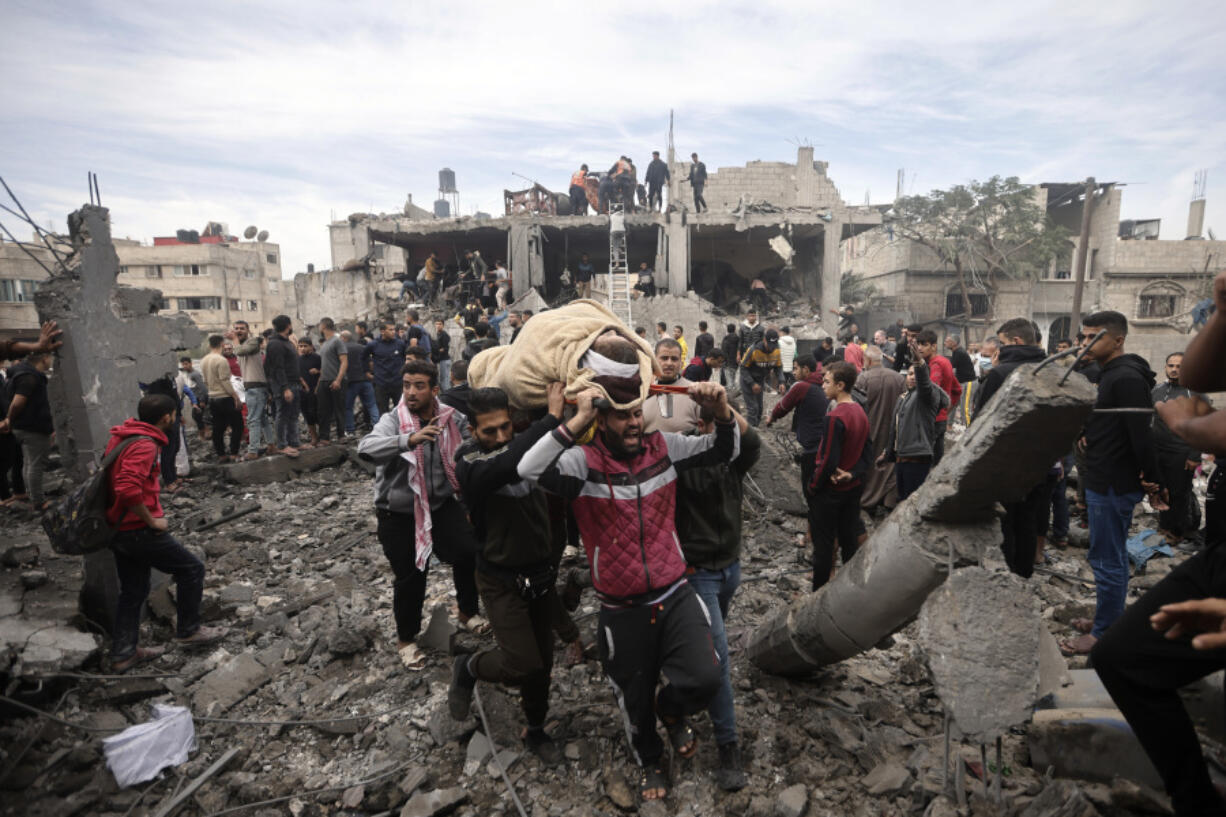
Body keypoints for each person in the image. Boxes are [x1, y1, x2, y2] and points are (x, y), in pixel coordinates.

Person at [518, 378, 737, 802]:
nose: (635, 422)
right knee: (633, 695)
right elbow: (528, 469)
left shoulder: (665, 448)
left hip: (675, 593)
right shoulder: (583, 463)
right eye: (623, 414)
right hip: (622, 607)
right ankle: (649, 759)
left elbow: (725, 450)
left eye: (638, 412)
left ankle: (671, 710)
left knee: (707, 676)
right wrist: (575, 417)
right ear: (601, 417)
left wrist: (723, 412)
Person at [449, 384, 569, 764]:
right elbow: (508, 460)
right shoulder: (470, 464)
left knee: (543, 665)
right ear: (472, 432)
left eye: (506, 428)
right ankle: (468, 666)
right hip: (500, 580)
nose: (500, 437)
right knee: (523, 663)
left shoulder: (524, 445)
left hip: (540, 575)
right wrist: (552, 420)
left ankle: (535, 729)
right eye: (490, 431)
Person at [357, 358, 485, 670]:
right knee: (412, 576)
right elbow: (366, 448)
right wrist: (407, 441)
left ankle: (467, 612)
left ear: (434, 389)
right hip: (398, 514)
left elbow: (474, 442)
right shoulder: (393, 420)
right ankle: (407, 640)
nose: (411, 392)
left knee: (469, 553)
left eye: (419, 386)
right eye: (406, 385)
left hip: (441, 505)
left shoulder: (450, 418)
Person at [1063, 310, 1166, 656]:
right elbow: (1116, 424)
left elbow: (1141, 435)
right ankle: (1108, 618)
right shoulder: (1109, 375)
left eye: (1094, 337)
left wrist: (1152, 479)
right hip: (1104, 475)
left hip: (1112, 482)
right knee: (1107, 554)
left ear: (1118, 340)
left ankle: (1105, 633)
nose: (1084, 343)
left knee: (1107, 558)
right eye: (1083, 336)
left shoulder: (1125, 378)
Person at [104, 394, 226, 671]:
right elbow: (126, 488)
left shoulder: (124, 436)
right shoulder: (145, 445)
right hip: (138, 530)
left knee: (133, 590)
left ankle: (124, 653)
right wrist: (152, 520)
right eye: (174, 414)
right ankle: (188, 630)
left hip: (118, 529)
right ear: (166, 418)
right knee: (191, 568)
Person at [675, 404, 759, 791]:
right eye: (707, 420)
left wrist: (725, 409)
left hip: (730, 569)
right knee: (719, 659)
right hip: (699, 574)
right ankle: (729, 747)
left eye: (719, 422)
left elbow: (753, 441)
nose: (714, 427)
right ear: (697, 424)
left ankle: (675, 700)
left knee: (710, 646)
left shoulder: (733, 461)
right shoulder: (683, 461)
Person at [972, 318, 1049, 578]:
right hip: (1041, 460)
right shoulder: (1051, 369)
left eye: (1001, 344)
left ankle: (1004, 575)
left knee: (1005, 521)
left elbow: (983, 418)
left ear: (1015, 341)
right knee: (1028, 519)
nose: (998, 350)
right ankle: (1024, 573)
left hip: (1005, 463)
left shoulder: (1002, 373)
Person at [808, 362, 871, 590]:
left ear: (840, 385)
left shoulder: (835, 417)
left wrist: (813, 486)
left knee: (823, 547)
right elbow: (867, 453)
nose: (823, 386)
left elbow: (827, 460)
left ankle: (818, 594)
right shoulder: (860, 413)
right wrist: (853, 473)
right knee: (849, 539)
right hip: (852, 487)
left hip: (831, 493)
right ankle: (851, 589)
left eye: (827, 382)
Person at [767, 354, 829, 544]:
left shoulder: (802, 386)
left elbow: (783, 405)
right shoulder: (822, 385)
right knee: (819, 494)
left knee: (811, 494)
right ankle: (814, 534)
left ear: (806, 370)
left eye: (796, 368)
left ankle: (814, 537)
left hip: (812, 448)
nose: (793, 372)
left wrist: (771, 418)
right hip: (825, 445)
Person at [880, 339, 949, 502]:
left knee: (912, 502)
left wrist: (919, 363)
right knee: (903, 500)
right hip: (902, 459)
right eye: (909, 374)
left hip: (917, 459)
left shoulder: (926, 395)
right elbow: (896, 429)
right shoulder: (904, 397)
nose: (912, 377)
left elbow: (924, 383)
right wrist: (887, 452)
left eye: (915, 374)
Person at [1152, 352, 1207, 545]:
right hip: (1158, 451)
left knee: (1179, 492)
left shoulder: (1195, 393)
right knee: (1161, 489)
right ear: (1165, 367)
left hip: (1181, 453)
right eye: (1171, 365)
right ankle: (1164, 525)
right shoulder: (1157, 390)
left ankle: (1177, 531)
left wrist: (1194, 456)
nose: (1174, 369)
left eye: (1179, 366)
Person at [854, 346, 906, 514]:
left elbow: (856, 406)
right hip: (893, 431)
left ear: (867, 361)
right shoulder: (898, 378)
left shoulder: (863, 379)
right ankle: (888, 500)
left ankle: (868, 500)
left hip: (869, 430)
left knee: (869, 467)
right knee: (889, 466)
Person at [1, 349, 54, 509]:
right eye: (50, 358)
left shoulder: (21, 373)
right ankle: (39, 501)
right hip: (33, 428)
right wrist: (9, 419)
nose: (51, 362)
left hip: (24, 427)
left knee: (29, 463)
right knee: (35, 464)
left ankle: (31, 495)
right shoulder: (29, 376)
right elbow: (17, 403)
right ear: (44, 358)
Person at [229, 321, 274, 460]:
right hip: (253, 386)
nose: (238, 331)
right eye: (236, 329)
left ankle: (253, 451)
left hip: (255, 387)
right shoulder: (242, 345)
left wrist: (234, 339)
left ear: (248, 330)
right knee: (262, 418)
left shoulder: (253, 342)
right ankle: (271, 445)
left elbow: (239, 351)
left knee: (253, 419)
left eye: (242, 329)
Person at [914, 329, 960, 463]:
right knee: (937, 458)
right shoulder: (944, 361)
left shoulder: (936, 364)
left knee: (926, 461)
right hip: (940, 419)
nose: (920, 348)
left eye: (924, 344)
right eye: (919, 344)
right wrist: (946, 411)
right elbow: (957, 390)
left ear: (934, 346)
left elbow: (930, 393)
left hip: (931, 421)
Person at [643, 339, 701, 433]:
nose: (669, 363)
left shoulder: (694, 392)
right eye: (664, 358)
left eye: (674, 359)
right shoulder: (643, 393)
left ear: (681, 363)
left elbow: (708, 430)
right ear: (654, 360)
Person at [264, 315, 301, 458]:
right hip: (284, 386)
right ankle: (282, 445)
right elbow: (278, 368)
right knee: (283, 414)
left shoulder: (286, 342)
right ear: (289, 326)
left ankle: (295, 442)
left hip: (293, 383)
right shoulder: (275, 344)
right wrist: (285, 388)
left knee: (293, 415)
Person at [201, 335, 243, 461]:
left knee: (218, 427)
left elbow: (205, 380)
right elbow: (225, 380)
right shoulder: (221, 360)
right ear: (222, 344)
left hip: (213, 397)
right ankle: (234, 452)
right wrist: (235, 397)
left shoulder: (204, 360)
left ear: (209, 345)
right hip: (225, 397)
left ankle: (221, 454)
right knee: (238, 425)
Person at [316, 318, 349, 443]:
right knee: (324, 410)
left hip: (336, 380)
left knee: (339, 409)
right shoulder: (325, 343)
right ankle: (324, 437)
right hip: (324, 380)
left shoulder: (337, 341)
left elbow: (344, 362)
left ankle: (341, 435)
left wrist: (338, 380)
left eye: (319, 325)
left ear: (323, 326)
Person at [739, 328, 781, 427]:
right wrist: (752, 383)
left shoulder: (777, 349)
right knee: (753, 408)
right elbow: (743, 368)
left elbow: (778, 367)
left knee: (760, 408)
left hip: (760, 380)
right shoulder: (753, 350)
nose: (771, 348)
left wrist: (782, 381)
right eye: (770, 345)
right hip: (747, 379)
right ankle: (750, 431)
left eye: (774, 346)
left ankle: (755, 428)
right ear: (764, 340)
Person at [340, 330, 378, 435]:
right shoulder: (362, 347)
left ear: (343, 338)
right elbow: (371, 363)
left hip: (351, 382)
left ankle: (350, 430)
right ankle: (377, 427)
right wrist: (370, 374)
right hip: (365, 380)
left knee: (348, 407)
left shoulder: (343, 349)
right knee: (371, 405)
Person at [370, 321, 408, 416]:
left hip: (397, 383)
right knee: (383, 414)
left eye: (394, 330)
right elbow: (363, 358)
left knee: (401, 411)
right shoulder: (373, 345)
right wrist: (367, 373)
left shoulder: (400, 344)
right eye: (390, 330)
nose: (393, 332)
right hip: (381, 384)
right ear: (382, 331)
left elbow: (406, 357)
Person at [297, 338, 322, 446]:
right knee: (307, 414)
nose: (302, 348)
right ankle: (314, 437)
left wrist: (318, 371)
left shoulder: (317, 358)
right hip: (303, 392)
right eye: (300, 346)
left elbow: (325, 371)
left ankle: (323, 435)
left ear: (311, 346)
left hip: (316, 390)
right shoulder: (298, 360)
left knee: (317, 413)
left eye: (305, 346)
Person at [176, 357, 207, 439]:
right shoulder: (187, 374)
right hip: (196, 399)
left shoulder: (195, 374)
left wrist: (202, 400)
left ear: (191, 363)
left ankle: (203, 435)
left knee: (197, 416)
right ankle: (204, 432)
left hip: (200, 399)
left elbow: (202, 388)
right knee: (197, 416)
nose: (185, 366)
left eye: (186, 364)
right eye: (183, 364)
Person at [430, 319, 452, 389]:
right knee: (443, 379)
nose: (438, 326)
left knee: (444, 380)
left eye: (440, 324)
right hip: (442, 360)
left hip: (445, 360)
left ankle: (447, 396)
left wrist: (435, 351)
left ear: (443, 325)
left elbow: (445, 349)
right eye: (436, 324)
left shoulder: (444, 335)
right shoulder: (438, 334)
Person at [719, 323, 740, 387]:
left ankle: (730, 396)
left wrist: (722, 363)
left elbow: (723, 352)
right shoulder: (738, 339)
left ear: (727, 330)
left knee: (729, 383)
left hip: (727, 364)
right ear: (734, 330)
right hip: (735, 364)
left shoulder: (726, 339)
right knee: (732, 381)